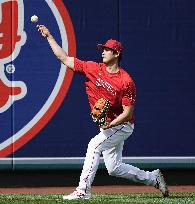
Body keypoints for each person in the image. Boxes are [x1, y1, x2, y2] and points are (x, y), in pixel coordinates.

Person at [37, 25, 169, 200]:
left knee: (94, 146)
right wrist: (49, 36)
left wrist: (111, 124)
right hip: (109, 126)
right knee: (114, 168)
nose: (103, 52)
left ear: (116, 54)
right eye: (103, 49)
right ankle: (153, 178)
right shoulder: (92, 68)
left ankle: (83, 190)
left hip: (122, 125)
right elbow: (64, 58)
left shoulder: (126, 81)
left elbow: (128, 113)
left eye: (107, 49)